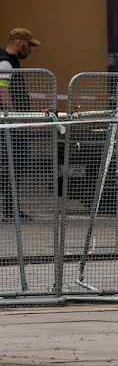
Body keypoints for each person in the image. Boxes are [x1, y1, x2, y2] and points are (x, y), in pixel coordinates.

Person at [0, 28, 41, 222]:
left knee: (14, 166)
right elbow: (2, 91)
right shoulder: (6, 63)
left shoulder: (9, 62)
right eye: (29, 45)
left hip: (12, 124)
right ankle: (10, 210)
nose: (30, 49)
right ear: (19, 42)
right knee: (13, 166)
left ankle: (10, 207)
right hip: (10, 126)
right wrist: (15, 119)